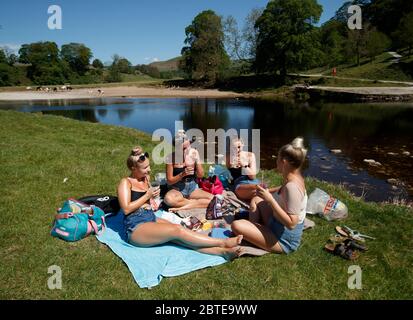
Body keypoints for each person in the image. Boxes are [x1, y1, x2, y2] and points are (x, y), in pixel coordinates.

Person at [117, 146, 243, 260]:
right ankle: (222, 243)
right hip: (135, 227)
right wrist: (147, 196)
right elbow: (126, 209)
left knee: (182, 236)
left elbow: (146, 201)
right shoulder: (126, 182)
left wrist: (152, 201)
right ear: (133, 168)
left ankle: (223, 253)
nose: (149, 170)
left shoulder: (145, 178)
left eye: (149, 166)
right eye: (145, 168)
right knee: (178, 231)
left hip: (150, 217)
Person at [231, 137, 308, 254]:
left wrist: (270, 200)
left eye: (277, 159)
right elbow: (283, 191)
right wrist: (266, 192)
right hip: (276, 223)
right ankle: (255, 230)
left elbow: (292, 223)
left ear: (284, 162)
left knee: (236, 225)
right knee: (256, 199)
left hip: (284, 239)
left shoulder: (292, 187)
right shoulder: (294, 177)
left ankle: (253, 231)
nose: (276, 161)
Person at [164, 131, 214, 212]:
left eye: (187, 147)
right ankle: (194, 203)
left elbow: (201, 175)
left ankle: (185, 205)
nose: (186, 150)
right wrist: (182, 174)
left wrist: (197, 159)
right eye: (183, 148)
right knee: (169, 200)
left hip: (192, 187)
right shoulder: (170, 158)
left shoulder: (194, 153)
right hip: (177, 188)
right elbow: (169, 181)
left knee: (213, 199)